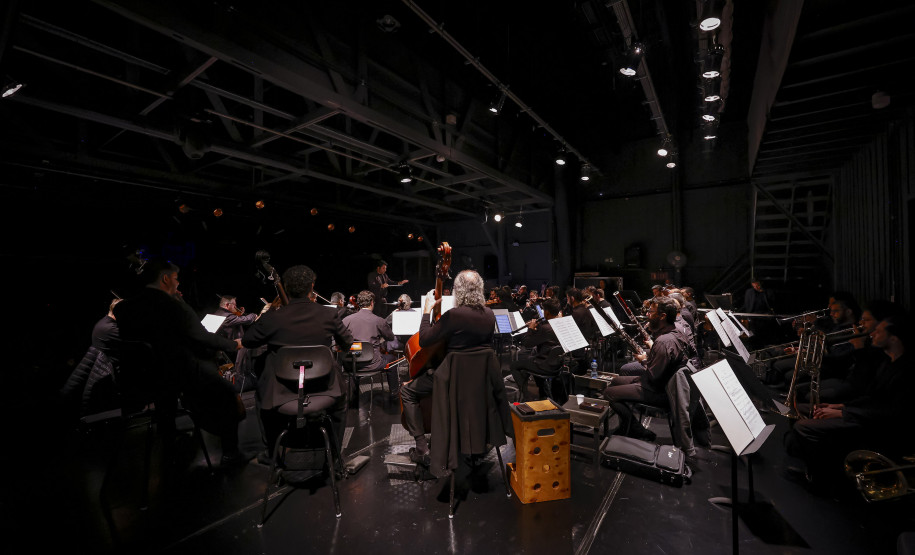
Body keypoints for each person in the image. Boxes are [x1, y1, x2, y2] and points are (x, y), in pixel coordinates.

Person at [114, 259, 248, 468]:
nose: (178, 284)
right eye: (176, 279)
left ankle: (169, 442)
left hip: (143, 380)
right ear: (165, 279)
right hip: (177, 374)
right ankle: (231, 454)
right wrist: (234, 344)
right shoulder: (173, 306)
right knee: (228, 393)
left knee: (168, 392)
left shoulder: (123, 308)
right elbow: (201, 337)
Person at [785, 305, 913, 489]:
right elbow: (870, 396)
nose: (872, 334)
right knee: (799, 409)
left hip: (880, 426)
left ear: (894, 338)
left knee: (803, 426)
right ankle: (811, 463)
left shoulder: (906, 371)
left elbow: (892, 414)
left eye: (878, 331)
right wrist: (841, 406)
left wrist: (844, 413)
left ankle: (824, 481)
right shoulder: (888, 362)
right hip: (863, 414)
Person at [242, 265, 353, 461]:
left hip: (282, 391)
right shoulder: (328, 314)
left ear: (285, 287)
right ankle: (334, 457)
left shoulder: (273, 317)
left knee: (263, 394)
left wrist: (270, 317)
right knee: (341, 398)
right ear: (312, 286)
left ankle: (273, 455)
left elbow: (248, 341)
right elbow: (347, 343)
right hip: (323, 387)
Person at [400, 269, 495, 466]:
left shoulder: (453, 316)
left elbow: (424, 339)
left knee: (407, 391)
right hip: (478, 381)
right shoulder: (489, 315)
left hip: (452, 380)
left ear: (457, 291)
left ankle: (422, 448)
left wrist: (427, 311)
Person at [602, 297, 695, 441]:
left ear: (662, 316)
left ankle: (636, 429)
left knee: (608, 393)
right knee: (615, 381)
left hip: (659, 390)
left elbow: (653, 376)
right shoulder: (676, 332)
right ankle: (628, 425)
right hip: (661, 384)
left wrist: (644, 360)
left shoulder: (663, 342)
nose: (647, 315)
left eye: (651, 312)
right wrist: (650, 355)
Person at [509, 298, 567, 402]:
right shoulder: (561, 324)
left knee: (514, 366)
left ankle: (525, 394)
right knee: (532, 358)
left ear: (547, 312)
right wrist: (536, 331)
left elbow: (527, 344)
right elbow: (544, 339)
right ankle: (544, 393)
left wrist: (530, 329)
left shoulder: (546, 328)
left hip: (545, 365)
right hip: (557, 363)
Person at [343, 290, 398, 396]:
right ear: (372, 303)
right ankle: (394, 394)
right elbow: (390, 337)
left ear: (359, 303)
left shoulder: (346, 320)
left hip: (351, 363)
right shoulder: (378, 320)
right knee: (392, 359)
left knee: (355, 363)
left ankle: (353, 398)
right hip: (372, 363)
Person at [214, 295, 267, 389]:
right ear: (227, 305)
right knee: (260, 346)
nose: (236, 307)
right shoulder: (226, 316)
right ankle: (249, 376)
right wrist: (254, 315)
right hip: (233, 346)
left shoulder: (219, 313)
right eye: (234, 305)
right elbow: (247, 320)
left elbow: (235, 320)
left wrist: (238, 314)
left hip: (227, 344)